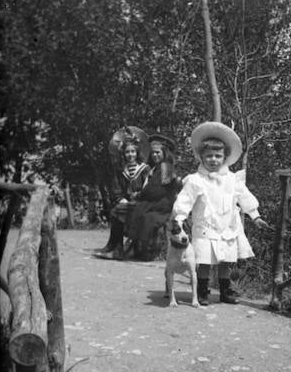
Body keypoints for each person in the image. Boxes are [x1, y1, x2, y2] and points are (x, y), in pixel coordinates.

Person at [170, 122, 272, 304]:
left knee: (226, 260)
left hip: (228, 225)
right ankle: (202, 290)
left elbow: (245, 197)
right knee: (205, 260)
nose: (213, 160)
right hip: (206, 226)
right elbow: (184, 201)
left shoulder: (233, 179)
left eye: (218, 156)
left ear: (225, 158)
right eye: (209, 156)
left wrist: (255, 216)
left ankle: (226, 290)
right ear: (201, 157)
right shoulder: (195, 180)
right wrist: (179, 218)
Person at [123, 134, 183, 261]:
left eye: (158, 152)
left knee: (147, 218)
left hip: (163, 203)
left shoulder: (166, 167)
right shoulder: (156, 168)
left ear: (164, 153)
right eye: (153, 153)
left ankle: (146, 251)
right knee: (136, 211)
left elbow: (158, 190)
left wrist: (141, 194)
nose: (155, 155)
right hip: (155, 201)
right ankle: (134, 246)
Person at [99, 139, 151, 259]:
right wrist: (120, 198)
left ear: (137, 152)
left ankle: (117, 248)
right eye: (127, 152)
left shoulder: (145, 169)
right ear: (123, 154)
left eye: (133, 151)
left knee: (117, 211)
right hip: (126, 202)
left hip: (142, 202)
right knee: (117, 209)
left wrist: (139, 196)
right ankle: (115, 246)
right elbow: (116, 188)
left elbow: (148, 188)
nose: (130, 154)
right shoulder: (121, 170)